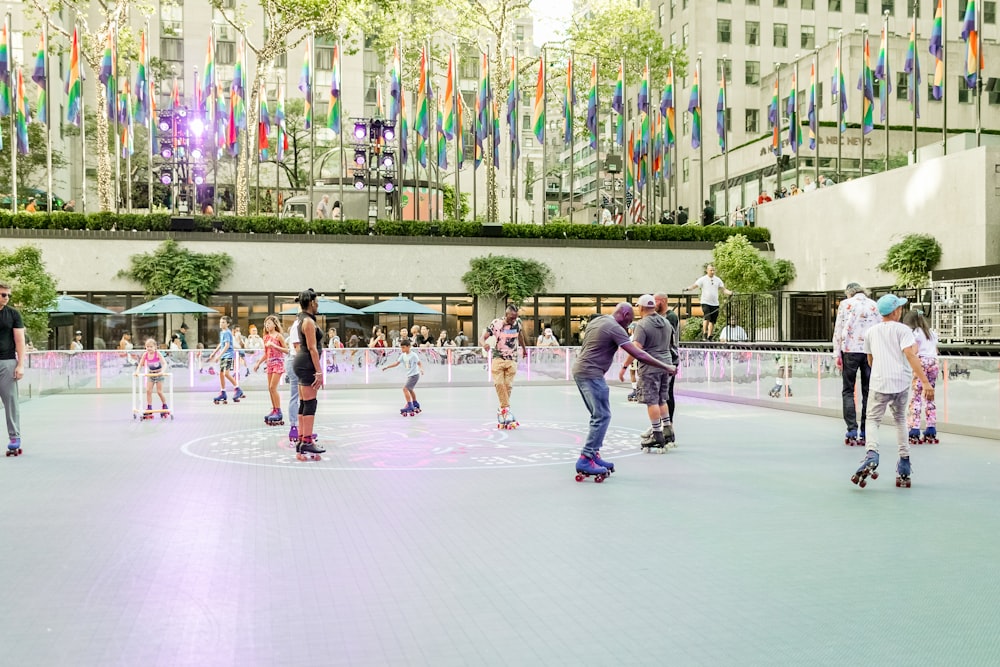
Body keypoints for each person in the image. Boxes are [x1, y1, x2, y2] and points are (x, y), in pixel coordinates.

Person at [572, 303, 676, 480]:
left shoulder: (598, 321)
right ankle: (586, 457)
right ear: (624, 314)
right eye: (628, 321)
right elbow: (639, 353)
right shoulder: (614, 327)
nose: (628, 326)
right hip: (592, 374)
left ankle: (594, 453)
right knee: (602, 416)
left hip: (581, 371)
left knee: (597, 415)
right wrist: (665, 365)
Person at [851, 295, 934, 489]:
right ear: (896, 311)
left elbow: (870, 361)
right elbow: (911, 356)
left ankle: (872, 453)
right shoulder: (904, 331)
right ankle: (904, 463)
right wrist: (925, 382)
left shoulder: (871, 332)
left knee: (872, 419)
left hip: (879, 383)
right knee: (900, 421)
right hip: (901, 383)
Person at [619, 295, 677, 451]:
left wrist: (625, 366)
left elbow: (636, 348)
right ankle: (667, 429)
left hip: (650, 367)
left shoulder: (642, 325)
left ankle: (656, 434)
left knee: (651, 400)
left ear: (641, 308)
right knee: (662, 398)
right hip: (666, 364)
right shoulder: (666, 322)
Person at [832, 282, 880, 446]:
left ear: (849, 293)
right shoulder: (874, 305)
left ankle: (852, 429)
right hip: (870, 352)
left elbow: (838, 330)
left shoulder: (845, 304)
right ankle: (866, 430)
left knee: (848, 390)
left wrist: (837, 354)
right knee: (868, 391)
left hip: (850, 350)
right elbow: (879, 329)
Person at [481, 304, 528, 429]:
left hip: (512, 359)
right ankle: (506, 411)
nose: (514, 320)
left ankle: (502, 411)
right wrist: (483, 344)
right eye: (511, 318)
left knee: (508, 386)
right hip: (498, 358)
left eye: (515, 317)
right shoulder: (496, 324)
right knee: (499, 384)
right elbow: (483, 337)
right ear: (506, 315)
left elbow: (520, 336)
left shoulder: (517, 323)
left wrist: (524, 349)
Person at [291, 289, 326, 460]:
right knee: (310, 403)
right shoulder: (309, 322)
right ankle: (307, 441)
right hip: (307, 364)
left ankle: (301, 444)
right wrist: (319, 371)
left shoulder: (302, 319)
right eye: (316, 301)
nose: (318, 304)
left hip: (301, 363)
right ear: (311, 303)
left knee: (305, 403)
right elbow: (312, 348)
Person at [902, 309, 940, 445]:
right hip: (934, 362)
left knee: (916, 397)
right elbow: (936, 350)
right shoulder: (932, 333)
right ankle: (931, 428)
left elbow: (914, 351)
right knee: (930, 395)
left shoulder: (915, 334)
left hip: (921, 362)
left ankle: (914, 428)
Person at [0, 282, 25, 455]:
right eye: (3, 294)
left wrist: (20, 364)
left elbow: (19, 340)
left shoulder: (13, 314)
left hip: (7, 362)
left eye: (8, 295)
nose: (6, 298)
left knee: (10, 401)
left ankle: (14, 437)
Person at [253, 315, 288, 427]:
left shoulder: (279, 336)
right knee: (270, 388)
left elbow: (286, 350)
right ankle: (274, 409)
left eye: (269, 323)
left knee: (273, 387)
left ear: (274, 324)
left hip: (278, 363)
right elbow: (266, 353)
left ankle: (278, 410)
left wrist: (274, 345)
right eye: (266, 324)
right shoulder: (265, 337)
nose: (267, 325)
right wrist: (258, 363)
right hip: (269, 363)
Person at [683, 264, 734, 341]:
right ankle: (704, 333)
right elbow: (694, 286)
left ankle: (710, 336)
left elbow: (723, 289)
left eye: (713, 270)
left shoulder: (718, 280)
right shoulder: (703, 279)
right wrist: (687, 288)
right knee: (707, 317)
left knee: (712, 320)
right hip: (705, 302)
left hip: (715, 303)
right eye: (711, 270)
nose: (712, 272)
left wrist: (730, 293)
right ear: (707, 271)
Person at [206, 315, 244, 404]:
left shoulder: (227, 332)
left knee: (226, 373)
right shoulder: (222, 332)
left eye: (223, 322)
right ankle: (223, 391)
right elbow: (221, 344)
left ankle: (237, 388)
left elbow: (227, 345)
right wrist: (214, 352)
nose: (221, 323)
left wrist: (218, 356)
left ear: (227, 324)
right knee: (221, 374)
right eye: (220, 322)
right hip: (223, 356)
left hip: (228, 355)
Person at [382, 339, 425, 416]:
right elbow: (396, 363)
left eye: (404, 347)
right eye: (401, 348)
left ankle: (410, 405)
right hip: (410, 375)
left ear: (409, 347)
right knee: (410, 389)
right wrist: (387, 367)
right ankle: (415, 403)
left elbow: (419, 363)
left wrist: (421, 369)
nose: (402, 349)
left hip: (414, 375)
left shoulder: (413, 355)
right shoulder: (403, 355)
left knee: (405, 389)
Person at [134, 337, 169, 419]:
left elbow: (164, 364)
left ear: (155, 347)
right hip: (151, 375)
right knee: (148, 391)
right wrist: (137, 371)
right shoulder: (145, 354)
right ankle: (149, 407)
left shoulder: (158, 354)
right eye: (147, 347)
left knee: (159, 392)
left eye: (151, 346)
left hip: (159, 375)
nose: (149, 348)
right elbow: (140, 364)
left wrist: (162, 371)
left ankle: (165, 405)